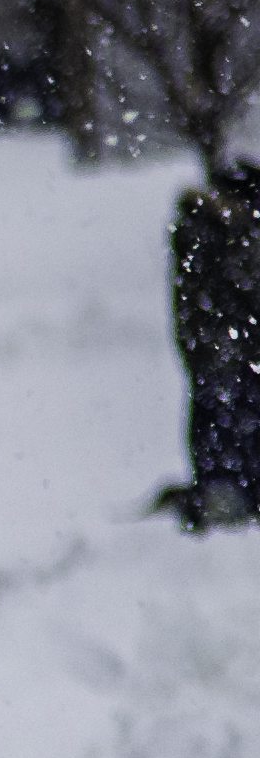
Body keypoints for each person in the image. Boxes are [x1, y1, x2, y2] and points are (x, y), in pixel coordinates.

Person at [171, 149, 260, 527]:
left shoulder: (208, 229)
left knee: (223, 419)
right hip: (228, 353)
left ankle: (226, 491)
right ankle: (225, 495)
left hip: (223, 352)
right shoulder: (215, 232)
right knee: (227, 419)